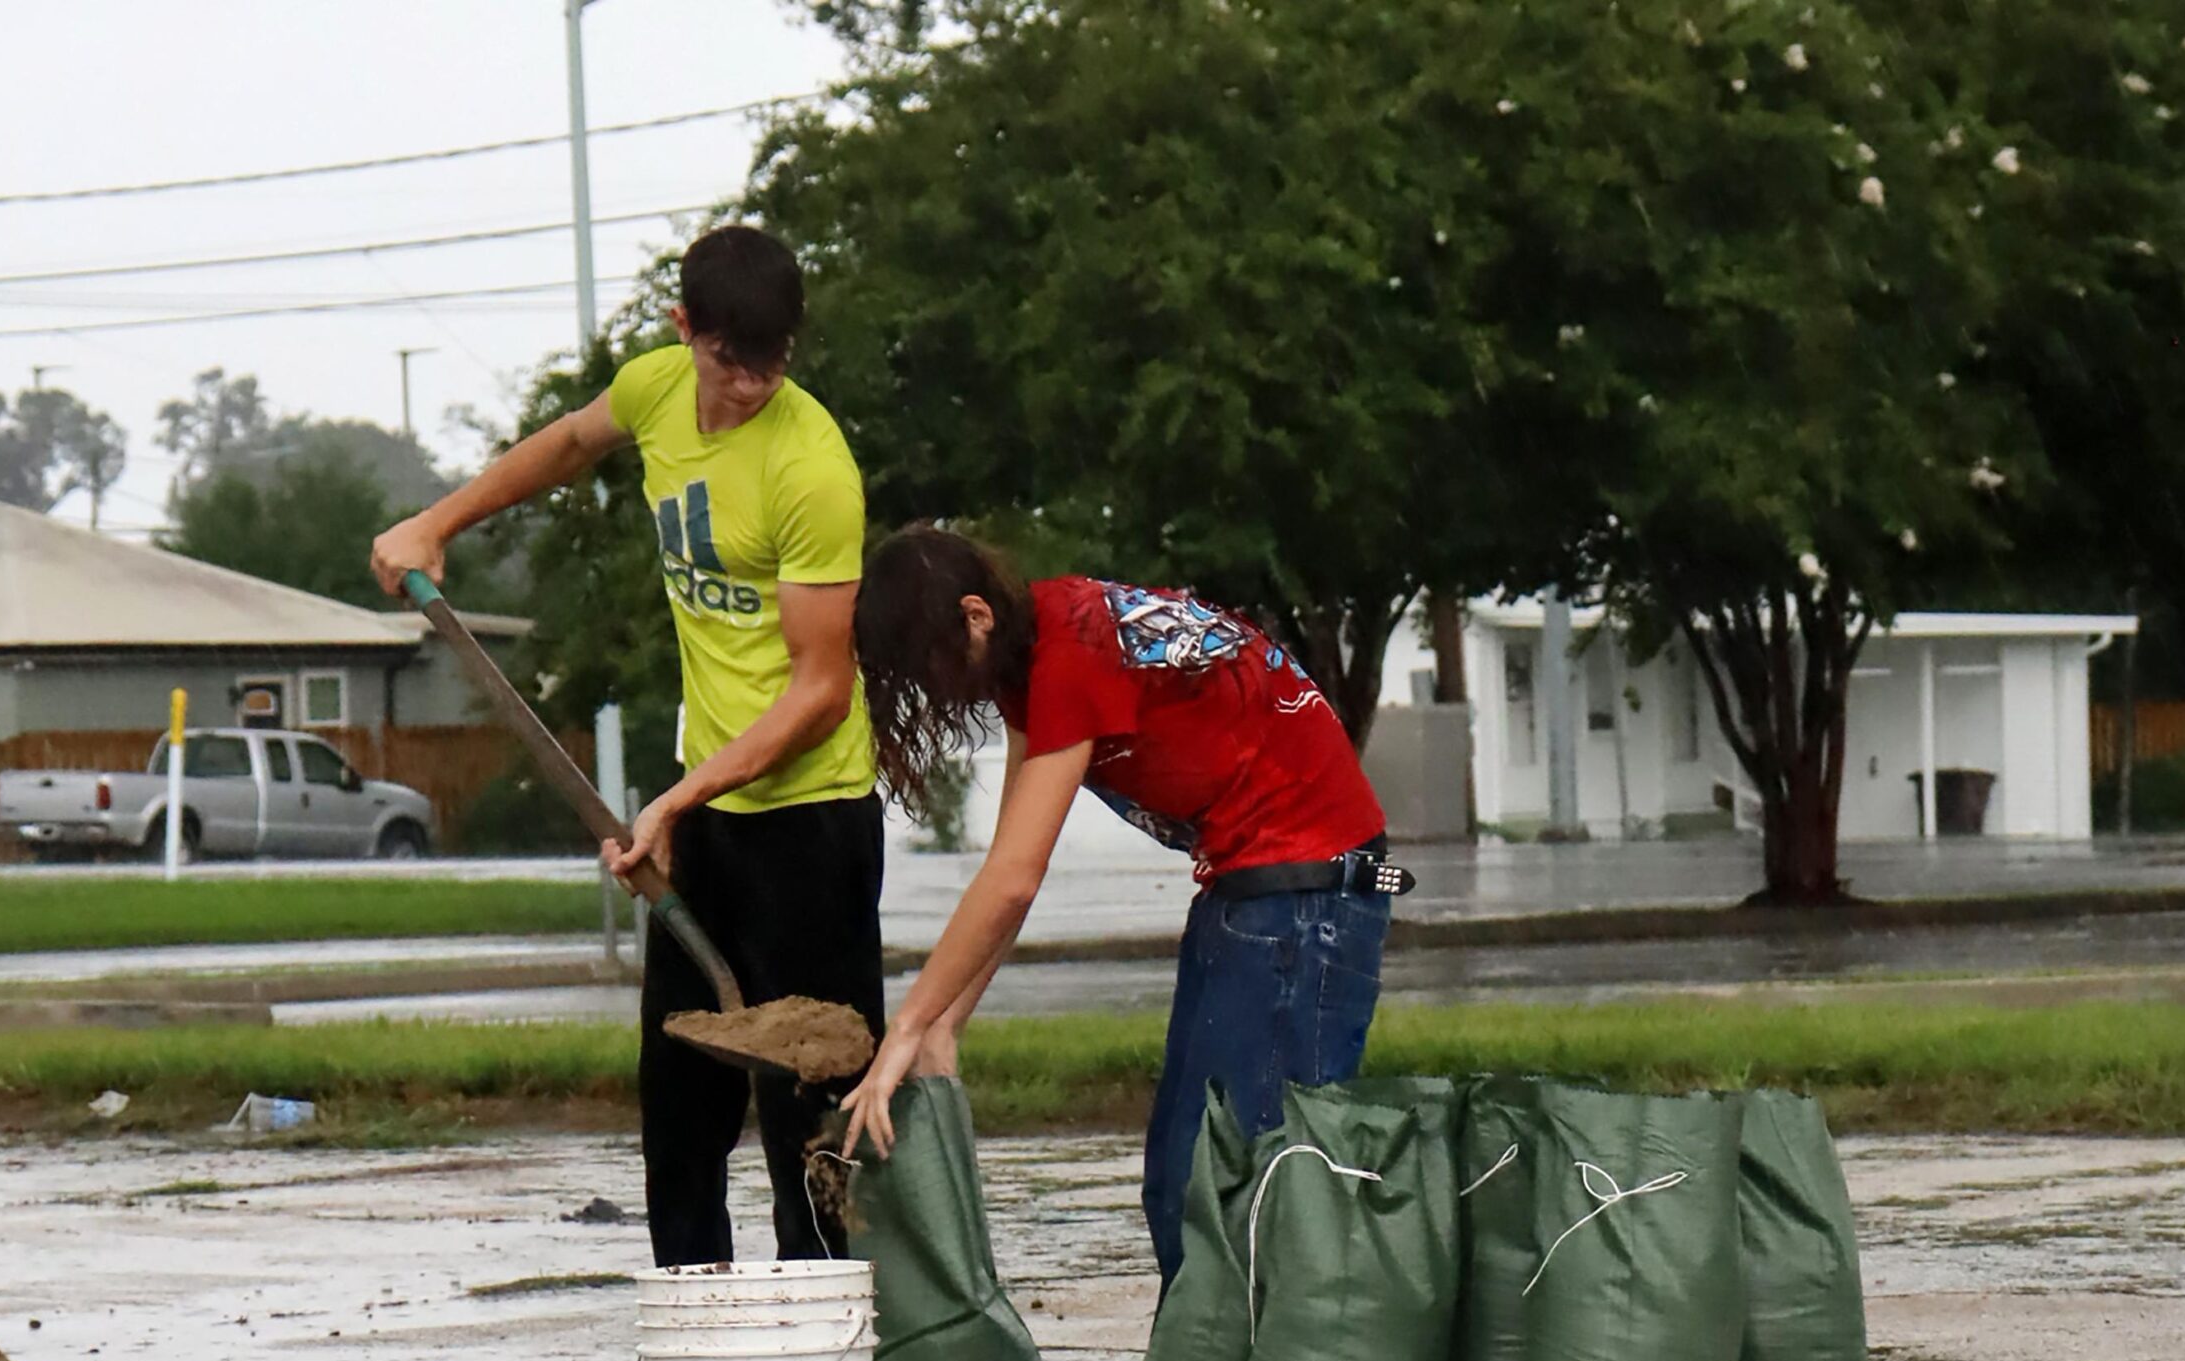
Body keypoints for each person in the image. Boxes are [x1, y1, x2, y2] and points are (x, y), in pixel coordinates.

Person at [370, 225, 881, 1266]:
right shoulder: (656, 390)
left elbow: (822, 690)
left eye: (773, 359)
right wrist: (437, 523)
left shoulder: (811, 466)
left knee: (812, 1128)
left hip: (809, 823)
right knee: (681, 1112)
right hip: (706, 814)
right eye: (731, 359)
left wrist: (681, 798)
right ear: (685, 329)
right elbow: (565, 443)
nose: (750, 384)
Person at [837, 526, 1407, 1288]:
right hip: (1247, 887)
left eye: (931, 667)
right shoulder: (1031, 654)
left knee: (1256, 1189)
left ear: (974, 616)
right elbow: (1010, 862)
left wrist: (905, 1028)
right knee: (1179, 1181)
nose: (936, 693)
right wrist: (947, 1023)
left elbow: (1015, 877)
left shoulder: (1071, 655)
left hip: (1306, 896)